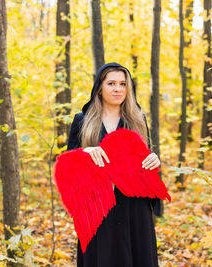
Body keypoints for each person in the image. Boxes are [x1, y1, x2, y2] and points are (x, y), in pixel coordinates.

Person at [66, 62, 162, 267]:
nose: (118, 89)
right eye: (111, 83)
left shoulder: (138, 120)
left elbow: (145, 165)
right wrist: (84, 152)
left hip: (135, 209)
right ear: (99, 88)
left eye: (122, 84)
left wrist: (154, 161)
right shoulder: (82, 121)